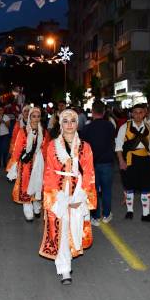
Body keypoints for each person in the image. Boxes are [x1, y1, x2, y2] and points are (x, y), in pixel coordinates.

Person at [40, 109, 96, 285]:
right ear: (60, 124)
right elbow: (49, 173)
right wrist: (57, 197)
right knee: (62, 230)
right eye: (65, 121)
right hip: (59, 192)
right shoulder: (52, 146)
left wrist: (82, 194)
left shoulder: (85, 147)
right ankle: (65, 268)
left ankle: (67, 258)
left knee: (75, 227)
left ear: (77, 124)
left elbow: (89, 173)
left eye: (73, 121)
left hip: (79, 190)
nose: (69, 124)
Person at [116, 104, 150, 222]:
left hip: (145, 159)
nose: (138, 115)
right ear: (132, 114)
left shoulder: (149, 128)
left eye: (140, 112)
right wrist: (121, 160)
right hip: (130, 159)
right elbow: (118, 146)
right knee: (129, 186)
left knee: (146, 187)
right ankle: (130, 211)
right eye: (135, 112)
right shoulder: (125, 127)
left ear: (144, 113)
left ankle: (146, 214)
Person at [6, 107, 49, 222]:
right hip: (26, 164)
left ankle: (36, 205)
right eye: (33, 116)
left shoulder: (44, 132)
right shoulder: (23, 131)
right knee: (26, 185)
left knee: (38, 184)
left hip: (39, 163)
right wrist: (13, 165)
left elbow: (46, 150)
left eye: (38, 116)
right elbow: (17, 150)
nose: (35, 119)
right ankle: (28, 209)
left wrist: (47, 165)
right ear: (29, 117)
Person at [81, 100, 116, 226]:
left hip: (92, 163)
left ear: (92, 111)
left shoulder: (87, 128)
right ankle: (106, 214)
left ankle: (95, 217)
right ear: (104, 111)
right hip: (107, 162)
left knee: (93, 190)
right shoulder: (110, 126)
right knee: (107, 190)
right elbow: (112, 141)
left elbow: (83, 145)